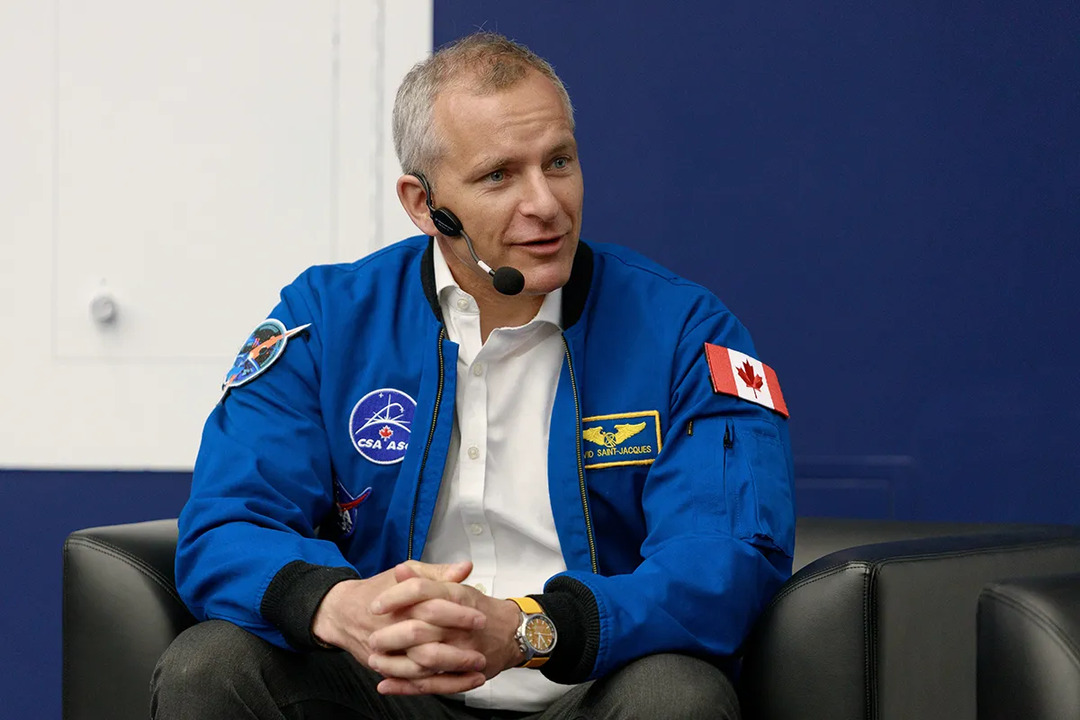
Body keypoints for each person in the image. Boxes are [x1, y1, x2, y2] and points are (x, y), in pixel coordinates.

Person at [152, 31, 795, 720]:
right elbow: (227, 523)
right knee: (210, 666)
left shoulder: (685, 332)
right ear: (423, 204)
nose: (545, 203)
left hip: (588, 688)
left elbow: (723, 564)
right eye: (499, 176)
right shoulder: (328, 320)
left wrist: (527, 629)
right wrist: (338, 605)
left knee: (676, 696)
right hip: (386, 691)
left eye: (559, 162)